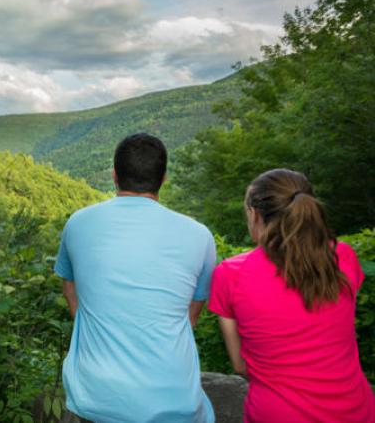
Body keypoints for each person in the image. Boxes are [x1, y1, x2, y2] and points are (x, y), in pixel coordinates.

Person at [54, 133, 216, 423]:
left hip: (94, 399)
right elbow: (190, 315)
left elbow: (70, 290)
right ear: (163, 178)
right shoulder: (200, 235)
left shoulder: (78, 222)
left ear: (115, 176)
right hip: (174, 404)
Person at [208, 168, 375, 423]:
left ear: (254, 214)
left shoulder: (231, 274)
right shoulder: (342, 257)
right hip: (355, 411)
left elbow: (241, 365)